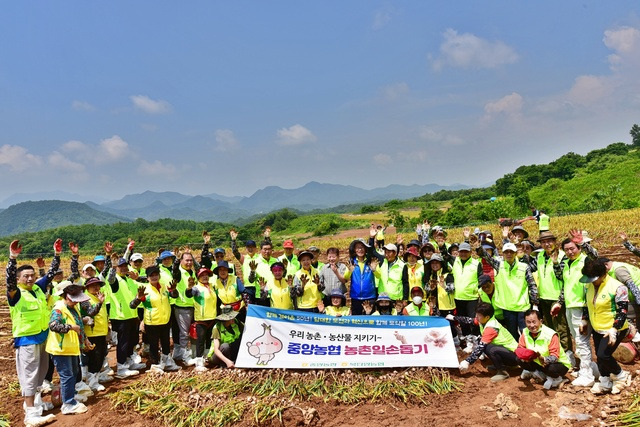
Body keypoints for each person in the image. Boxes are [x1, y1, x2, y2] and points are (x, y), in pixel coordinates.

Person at [6, 239, 59, 427]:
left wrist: (57, 254)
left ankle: (36, 405)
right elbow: (9, 280)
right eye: (25, 276)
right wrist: (13, 258)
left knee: (41, 373)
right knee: (29, 375)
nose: (29, 279)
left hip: (43, 336)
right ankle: (30, 415)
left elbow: (52, 274)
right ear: (19, 279)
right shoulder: (16, 294)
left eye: (32, 275)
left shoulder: (37, 288)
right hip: (27, 339)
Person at [556, 229, 600, 387]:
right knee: (578, 341)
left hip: (582, 307)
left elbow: (597, 258)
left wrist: (583, 243)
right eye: (566, 249)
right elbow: (566, 286)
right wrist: (559, 302)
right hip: (570, 307)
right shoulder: (567, 263)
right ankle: (592, 369)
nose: (569, 252)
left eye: (572, 248)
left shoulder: (586, 260)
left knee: (582, 342)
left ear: (579, 248)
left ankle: (587, 374)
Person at [581, 258, 630, 394]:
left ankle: (620, 375)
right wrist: (584, 320)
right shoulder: (588, 286)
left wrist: (614, 329)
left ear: (603, 275)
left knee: (604, 355)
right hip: (597, 327)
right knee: (599, 355)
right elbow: (587, 305)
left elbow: (622, 311)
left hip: (614, 328)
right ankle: (605, 380)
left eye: (594, 279)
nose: (592, 282)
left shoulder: (618, 288)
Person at [477, 242, 539, 340]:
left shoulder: (524, 267)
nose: (509, 254)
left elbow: (532, 285)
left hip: (522, 307)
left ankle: (529, 351)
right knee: (512, 332)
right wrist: (478, 246)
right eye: (506, 252)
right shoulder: (499, 265)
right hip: (507, 307)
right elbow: (485, 256)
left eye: (511, 252)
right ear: (503, 254)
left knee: (525, 331)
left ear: (515, 253)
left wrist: (535, 303)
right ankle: (516, 352)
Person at [46, 281, 92, 415]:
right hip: (60, 349)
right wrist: (70, 328)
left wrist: (85, 340)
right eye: (75, 300)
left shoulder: (73, 307)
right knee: (67, 376)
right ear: (66, 296)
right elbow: (53, 326)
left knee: (74, 373)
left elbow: (79, 325)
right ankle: (68, 403)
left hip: (71, 347)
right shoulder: (59, 308)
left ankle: (71, 396)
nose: (77, 302)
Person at [526, 232, 572, 354]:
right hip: (544, 298)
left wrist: (560, 301)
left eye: (549, 241)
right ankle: (553, 353)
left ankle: (567, 355)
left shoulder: (563, 256)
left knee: (561, 329)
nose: (547, 244)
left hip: (557, 299)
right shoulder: (540, 256)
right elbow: (528, 269)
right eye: (543, 242)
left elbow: (564, 278)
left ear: (555, 242)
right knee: (548, 329)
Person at [130, 265, 181, 372]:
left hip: (165, 320)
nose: (154, 277)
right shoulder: (145, 289)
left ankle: (167, 361)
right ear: (147, 278)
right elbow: (132, 305)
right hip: (152, 322)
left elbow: (174, 296)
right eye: (151, 276)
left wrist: (174, 290)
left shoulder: (164, 286)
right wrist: (138, 298)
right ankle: (155, 364)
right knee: (154, 344)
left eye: (156, 275)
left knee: (166, 342)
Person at [453, 302, 519, 382]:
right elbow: (470, 320)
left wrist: (467, 362)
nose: (476, 317)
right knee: (487, 346)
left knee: (489, 348)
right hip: (507, 352)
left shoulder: (491, 327)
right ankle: (502, 365)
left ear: (487, 317)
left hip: (514, 356)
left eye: (479, 315)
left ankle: (502, 372)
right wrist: (454, 318)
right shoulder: (485, 320)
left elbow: (480, 348)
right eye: (476, 314)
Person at [107, 256, 145, 377]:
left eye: (124, 266)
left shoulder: (129, 279)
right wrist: (112, 268)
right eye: (120, 266)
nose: (123, 268)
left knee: (131, 341)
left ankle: (129, 362)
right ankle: (121, 367)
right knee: (123, 342)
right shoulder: (115, 281)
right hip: (120, 317)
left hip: (132, 315)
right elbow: (110, 279)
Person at [517, 309, 571, 390]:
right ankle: (538, 373)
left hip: (557, 364)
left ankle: (557, 378)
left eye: (534, 322)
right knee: (518, 359)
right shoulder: (525, 332)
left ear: (540, 321)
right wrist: (524, 357)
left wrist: (545, 359)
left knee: (551, 368)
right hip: (538, 362)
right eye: (528, 322)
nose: (531, 325)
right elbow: (520, 348)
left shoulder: (550, 334)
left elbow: (555, 357)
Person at [185, 267, 218, 372]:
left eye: (206, 275)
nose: (205, 277)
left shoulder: (212, 286)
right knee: (200, 340)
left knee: (209, 339)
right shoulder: (196, 288)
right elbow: (189, 294)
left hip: (212, 318)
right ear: (198, 277)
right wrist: (189, 288)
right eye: (202, 275)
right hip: (201, 319)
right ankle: (199, 362)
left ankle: (207, 358)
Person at [79, 277, 108, 392]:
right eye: (93, 285)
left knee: (100, 356)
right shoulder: (85, 300)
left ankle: (95, 378)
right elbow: (91, 312)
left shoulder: (98, 297)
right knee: (94, 358)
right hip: (92, 333)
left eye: (98, 285)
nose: (96, 287)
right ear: (87, 287)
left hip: (101, 332)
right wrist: (100, 303)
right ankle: (92, 382)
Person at [171, 250, 197, 363]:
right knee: (184, 333)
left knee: (192, 332)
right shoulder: (179, 273)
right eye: (187, 260)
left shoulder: (192, 272)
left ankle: (182, 354)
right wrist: (176, 261)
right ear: (181, 261)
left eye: (191, 260)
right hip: (182, 307)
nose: (189, 262)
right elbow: (174, 271)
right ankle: (185, 357)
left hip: (193, 306)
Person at [344, 238, 377, 315]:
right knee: (357, 319)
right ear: (355, 250)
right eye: (358, 247)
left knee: (369, 319)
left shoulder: (371, 261)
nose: (360, 250)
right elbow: (345, 277)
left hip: (369, 296)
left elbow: (379, 276)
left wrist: (374, 270)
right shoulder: (351, 262)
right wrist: (349, 271)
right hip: (356, 297)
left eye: (362, 247)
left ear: (365, 249)